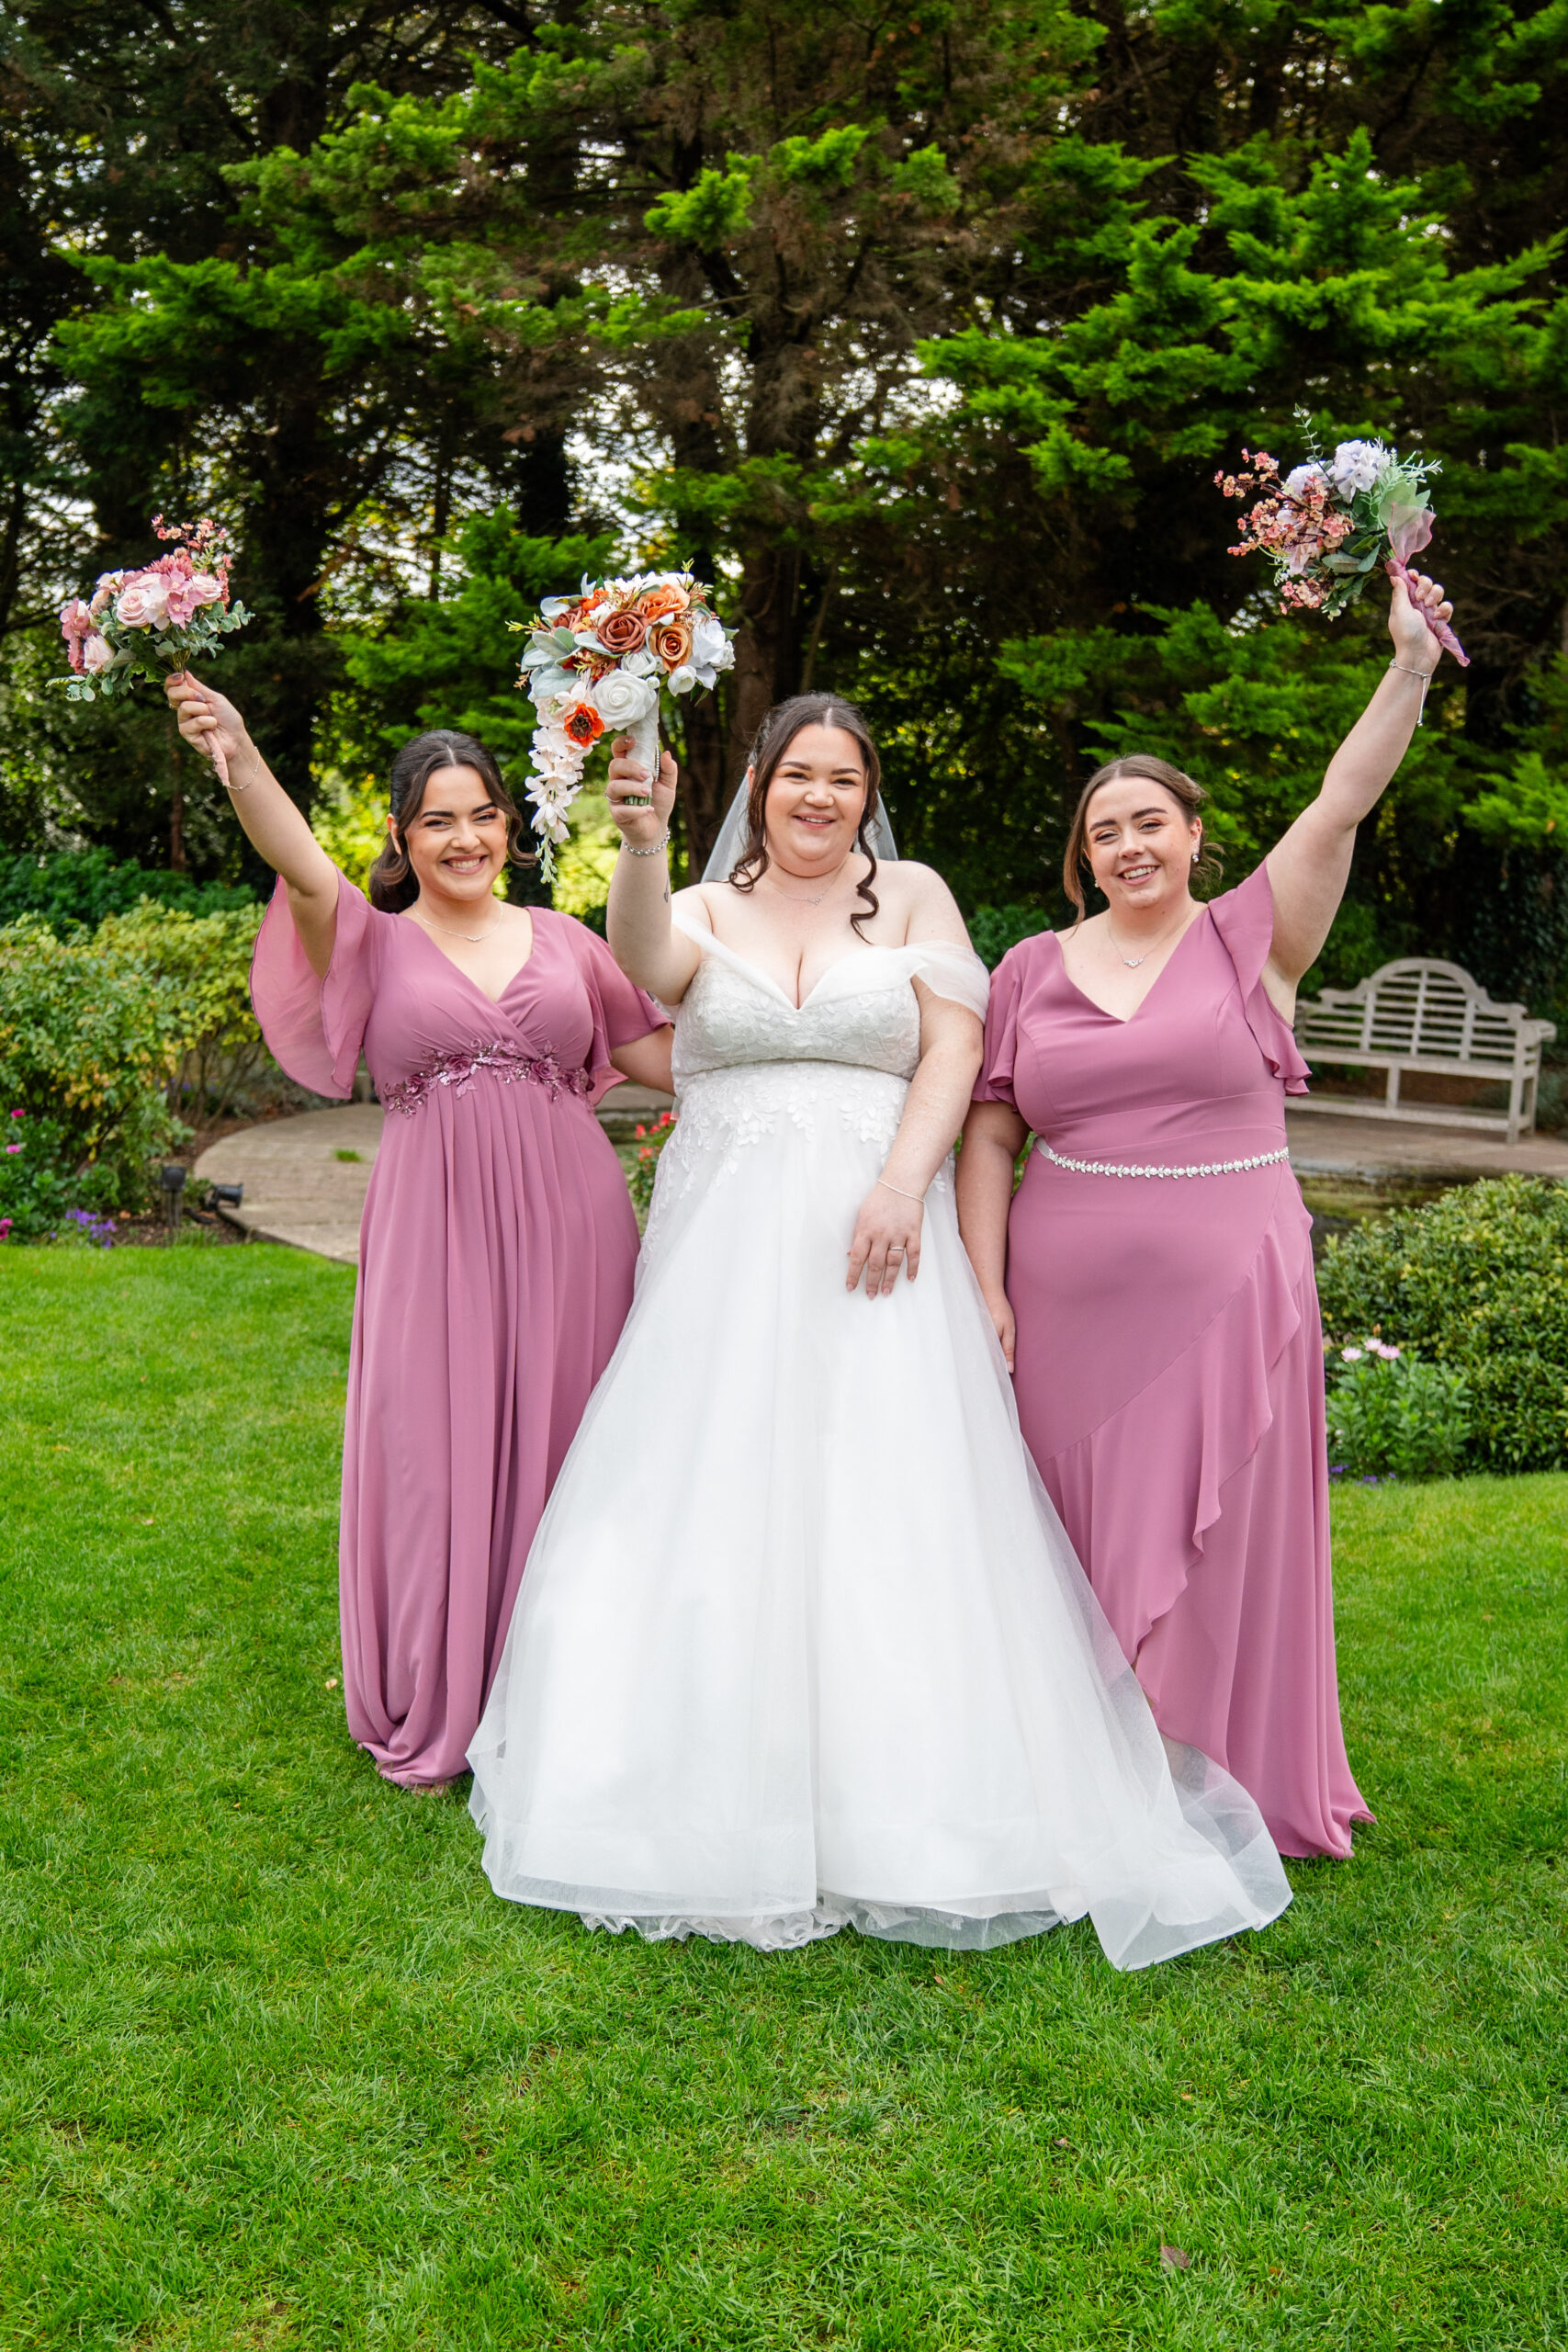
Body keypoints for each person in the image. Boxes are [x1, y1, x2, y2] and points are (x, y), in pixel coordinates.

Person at [465, 692, 1291, 1965]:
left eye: (841, 780)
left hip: (875, 1226)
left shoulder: (911, 896)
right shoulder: (698, 905)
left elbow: (955, 1053)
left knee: (888, 1494)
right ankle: (680, 1776)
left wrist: (904, 1188)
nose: (818, 798)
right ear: (757, 782)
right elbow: (645, 968)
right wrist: (637, 838)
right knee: (704, 1483)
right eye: (797, 775)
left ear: (866, 794)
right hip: (724, 1242)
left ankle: (909, 1798)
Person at [957, 570, 1456, 1860]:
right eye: (1102, 830)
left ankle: (1223, 1774)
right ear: (1082, 856)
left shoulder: (1255, 942)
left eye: (1148, 822)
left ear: (1192, 835)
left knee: (1226, 1536)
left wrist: (1404, 663)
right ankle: (1080, 1771)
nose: (1126, 845)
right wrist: (984, 1282)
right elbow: (989, 1127)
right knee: (1066, 1528)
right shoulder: (1027, 969)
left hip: (1229, 1288)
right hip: (1062, 1303)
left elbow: (1341, 803)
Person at [164, 673, 671, 1788]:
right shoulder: (367, 940)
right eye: (437, 818)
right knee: (434, 1447)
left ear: (510, 824)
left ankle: (569, 1696)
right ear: (400, 836)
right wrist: (239, 750)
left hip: (574, 1221)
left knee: (575, 1435)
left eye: (482, 813)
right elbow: (295, 855)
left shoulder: (570, 943)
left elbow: (667, 1059)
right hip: (433, 1223)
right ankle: (445, 1685)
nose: (465, 837)